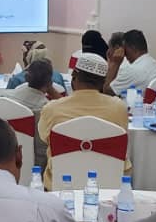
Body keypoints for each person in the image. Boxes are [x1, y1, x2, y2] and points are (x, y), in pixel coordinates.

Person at [38, 53, 131, 188]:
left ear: (74, 77)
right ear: (103, 82)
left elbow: (44, 138)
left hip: (60, 187)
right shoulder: (119, 108)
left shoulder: (52, 109)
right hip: (109, 187)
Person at [6, 58, 57, 171]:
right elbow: (41, 151)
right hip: (34, 169)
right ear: (50, 83)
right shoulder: (44, 108)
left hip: (4, 159)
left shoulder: (7, 97)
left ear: (26, 77)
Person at [104, 30, 156, 96]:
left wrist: (115, 63)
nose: (124, 54)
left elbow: (107, 91)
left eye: (124, 48)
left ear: (132, 48)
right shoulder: (154, 63)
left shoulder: (132, 70)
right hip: (147, 101)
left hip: (131, 102)